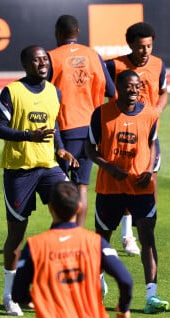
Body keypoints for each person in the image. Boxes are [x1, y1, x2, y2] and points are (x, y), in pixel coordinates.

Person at [12, 181, 132, 318]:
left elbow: (17, 293)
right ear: (79, 207)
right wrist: (124, 306)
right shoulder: (95, 242)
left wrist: (32, 299)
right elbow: (126, 279)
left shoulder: (36, 245)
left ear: (50, 208)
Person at [0, 45, 78, 317]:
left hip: (49, 167)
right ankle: (10, 294)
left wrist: (61, 148)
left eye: (45, 60)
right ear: (25, 64)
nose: (42, 63)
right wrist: (29, 136)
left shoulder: (55, 91)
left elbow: (54, 128)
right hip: (19, 171)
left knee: (68, 212)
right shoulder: (12, 92)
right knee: (16, 234)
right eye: (36, 60)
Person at [86, 69, 169, 314]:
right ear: (117, 90)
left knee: (147, 236)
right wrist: (108, 167)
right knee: (102, 240)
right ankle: (97, 286)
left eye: (137, 86)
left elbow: (153, 145)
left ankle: (151, 295)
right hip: (109, 187)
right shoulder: (101, 114)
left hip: (141, 188)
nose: (133, 91)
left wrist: (150, 171)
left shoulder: (151, 114)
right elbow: (89, 149)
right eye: (128, 87)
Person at [105, 22, 169, 256]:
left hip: (148, 133)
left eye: (149, 46)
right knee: (123, 182)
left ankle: (141, 231)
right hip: (122, 133)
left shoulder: (158, 65)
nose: (146, 52)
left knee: (149, 180)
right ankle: (126, 235)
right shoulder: (114, 65)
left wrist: (157, 110)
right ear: (131, 45)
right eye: (141, 47)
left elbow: (163, 92)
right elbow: (97, 85)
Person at [47, 14, 115, 227]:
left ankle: (62, 230)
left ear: (58, 33)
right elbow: (112, 91)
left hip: (63, 128)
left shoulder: (50, 57)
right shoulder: (93, 55)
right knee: (82, 186)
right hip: (91, 128)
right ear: (77, 32)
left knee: (59, 186)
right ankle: (78, 232)